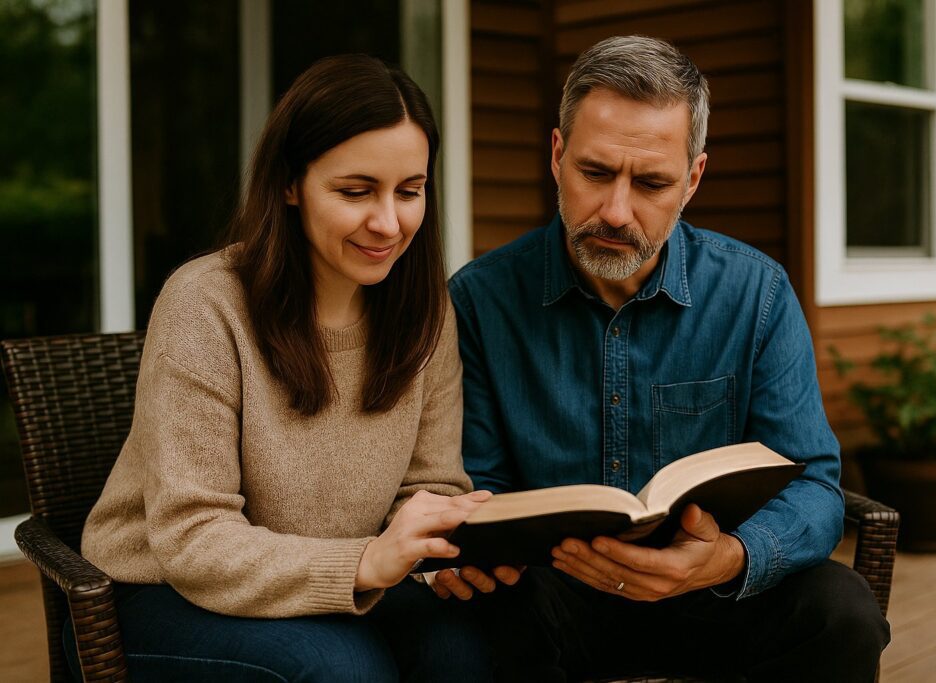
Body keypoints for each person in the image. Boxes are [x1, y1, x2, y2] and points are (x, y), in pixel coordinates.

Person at [435, 35, 890, 681]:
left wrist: (731, 557)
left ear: (693, 179)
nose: (616, 212)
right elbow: (479, 483)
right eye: (596, 173)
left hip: (713, 592)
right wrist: (477, 551)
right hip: (552, 599)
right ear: (557, 156)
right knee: (454, 635)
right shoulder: (480, 300)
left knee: (842, 613)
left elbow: (815, 484)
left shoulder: (756, 293)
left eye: (651, 183)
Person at [77, 55, 493, 682]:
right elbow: (193, 537)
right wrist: (363, 564)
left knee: (467, 648)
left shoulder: (424, 312)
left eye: (409, 191)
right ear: (290, 184)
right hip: (164, 591)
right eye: (355, 192)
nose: (388, 222)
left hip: (342, 580)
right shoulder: (206, 305)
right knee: (340, 670)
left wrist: (444, 556)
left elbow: (429, 486)